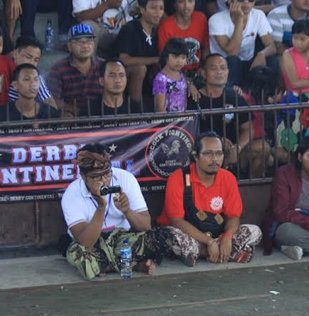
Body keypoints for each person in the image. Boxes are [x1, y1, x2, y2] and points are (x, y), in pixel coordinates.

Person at [61, 143, 177, 280]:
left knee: (164, 237)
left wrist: (127, 211)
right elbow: (85, 242)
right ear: (83, 176)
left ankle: (108, 266)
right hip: (94, 244)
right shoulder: (71, 194)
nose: (104, 181)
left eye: (107, 174)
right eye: (96, 177)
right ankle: (131, 264)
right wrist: (101, 207)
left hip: (123, 239)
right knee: (79, 254)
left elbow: (146, 226)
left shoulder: (126, 179)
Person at [157, 132, 262, 264]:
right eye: (208, 154)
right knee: (169, 236)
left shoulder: (228, 178)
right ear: (196, 156)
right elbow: (176, 221)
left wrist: (227, 237)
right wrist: (208, 242)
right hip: (190, 236)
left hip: (217, 234)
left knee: (254, 231)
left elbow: (234, 217)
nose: (215, 159)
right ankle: (217, 252)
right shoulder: (178, 178)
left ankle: (207, 252)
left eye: (219, 154)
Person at [187, 53, 252, 168]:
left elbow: (248, 129)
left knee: (262, 149)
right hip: (203, 151)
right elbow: (188, 134)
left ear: (228, 72)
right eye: (213, 68)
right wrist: (216, 143)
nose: (219, 72)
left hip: (231, 150)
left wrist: (238, 147)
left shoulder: (235, 96)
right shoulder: (193, 98)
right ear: (203, 73)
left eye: (223, 68)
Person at [208, 0, 277, 87]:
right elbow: (233, 52)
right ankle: (233, 96)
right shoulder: (216, 20)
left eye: (250, 0)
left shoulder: (258, 15)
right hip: (225, 65)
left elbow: (272, 46)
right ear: (230, 1)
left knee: (272, 59)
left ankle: (270, 96)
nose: (246, 4)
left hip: (249, 62)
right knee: (233, 61)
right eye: (241, 0)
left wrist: (261, 54)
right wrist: (239, 20)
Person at [47, 24, 104, 117]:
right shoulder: (58, 68)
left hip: (102, 115)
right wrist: (75, 110)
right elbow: (51, 99)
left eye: (89, 41)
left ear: (94, 44)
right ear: (69, 46)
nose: (85, 45)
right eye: (78, 41)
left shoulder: (104, 66)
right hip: (72, 117)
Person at [116, 0, 164, 103]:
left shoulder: (157, 31)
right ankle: (136, 109)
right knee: (140, 69)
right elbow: (123, 60)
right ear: (142, 9)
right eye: (153, 8)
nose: (158, 12)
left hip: (148, 79)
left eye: (161, 8)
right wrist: (154, 60)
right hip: (124, 76)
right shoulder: (129, 29)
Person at [158, 0, 210, 74]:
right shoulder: (165, 26)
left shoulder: (201, 19)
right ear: (175, 4)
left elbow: (206, 48)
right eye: (181, 2)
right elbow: (165, 59)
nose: (186, 6)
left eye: (190, 1)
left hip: (198, 71)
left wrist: (204, 67)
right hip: (174, 72)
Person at [8, 36, 57, 110]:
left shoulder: (35, 76)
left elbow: (49, 102)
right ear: (15, 53)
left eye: (36, 60)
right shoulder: (3, 68)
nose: (31, 63)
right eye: (28, 57)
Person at [153, 37, 189, 112]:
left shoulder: (182, 75)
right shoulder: (161, 79)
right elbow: (160, 109)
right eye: (175, 57)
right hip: (168, 122)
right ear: (166, 56)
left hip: (182, 121)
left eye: (183, 58)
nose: (179, 61)